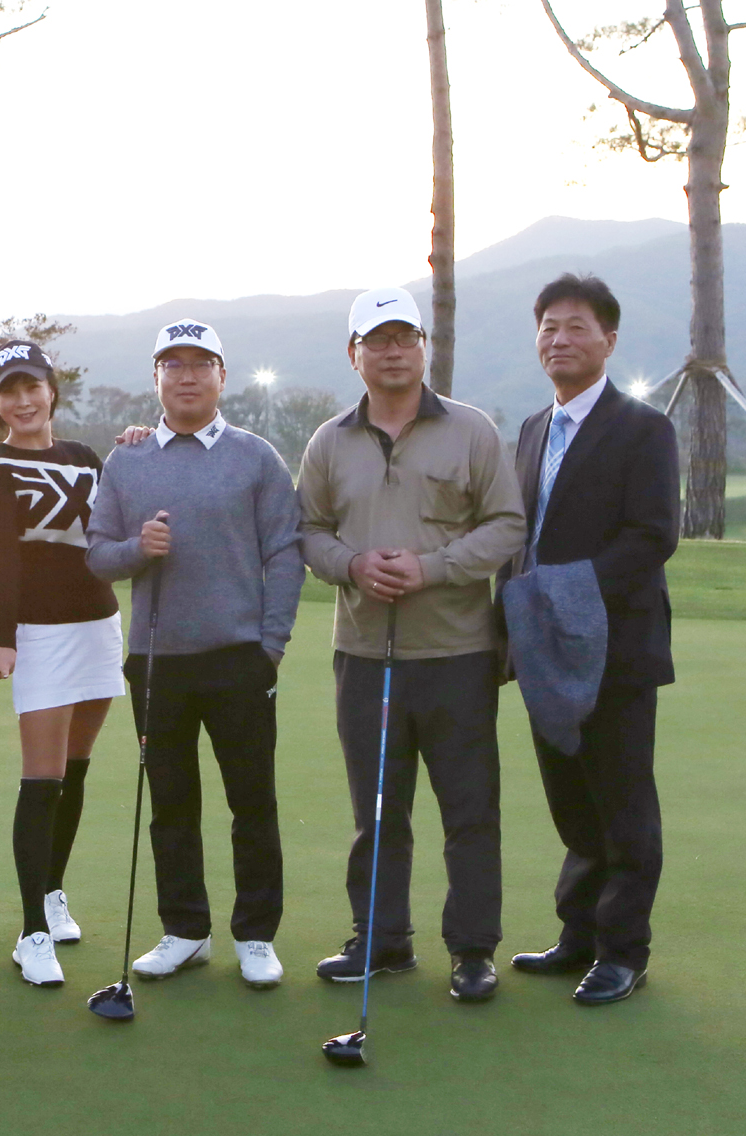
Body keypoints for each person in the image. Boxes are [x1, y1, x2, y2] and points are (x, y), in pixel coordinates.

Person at [297, 286, 527, 1004]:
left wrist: (433, 568)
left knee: (470, 810)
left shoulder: (471, 430)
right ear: (354, 354)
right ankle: (382, 939)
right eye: (378, 340)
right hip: (365, 655)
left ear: (424, 348)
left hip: (457, 654)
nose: (393, 351)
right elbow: (310, 532)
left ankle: (472, 950)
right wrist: (352, 565)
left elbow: (507, 524)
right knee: (376, 813)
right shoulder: (329, 441)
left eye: (405, 337)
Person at [86, 319, 303, 990]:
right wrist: (137, 550)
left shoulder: (256, 457)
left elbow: (284, 553)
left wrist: (271, 645)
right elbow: (99, 555)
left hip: (240, 658)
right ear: (156, 378)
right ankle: (185, 930)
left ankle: (256, 934)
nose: (187, 376)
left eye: (200, 364)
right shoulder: (127, 460)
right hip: (157, 661)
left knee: (252, 802)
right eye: (173, 365)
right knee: (172, 803)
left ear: (222, 376)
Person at [498, 273, 678, 1006]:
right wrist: (510, 620)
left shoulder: (644, 429)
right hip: (542, 648)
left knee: (624, 805)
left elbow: (653, 536)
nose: (559, 339)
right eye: (548, 327)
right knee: (572, 801)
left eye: (576, 327)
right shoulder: (531, 429)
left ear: (608, 340)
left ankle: (623, 952)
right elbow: (519, 537)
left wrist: (563, 592)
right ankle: (578, 935)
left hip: (616, 649)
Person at [0, 337, 124, 988]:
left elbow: (118, 521)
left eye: (31, 386)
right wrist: (3, 637)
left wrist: (135, 447)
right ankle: (32, 932)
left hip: (98, 625)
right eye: (9, 391)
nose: (23, 400)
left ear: (51, 390)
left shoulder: (86, 458)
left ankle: (54, 892)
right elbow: (3, 561)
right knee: (42, 777)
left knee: (75, 769)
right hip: (39, 635)